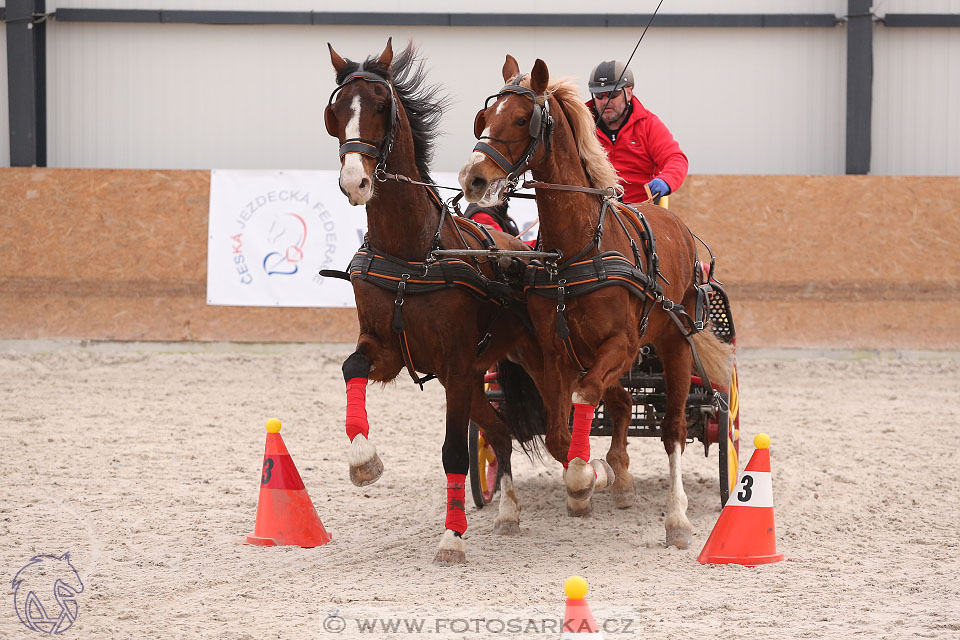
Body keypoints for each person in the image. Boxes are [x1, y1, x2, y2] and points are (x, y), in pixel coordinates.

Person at [586, 60, 688, 205]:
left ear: (628, 92)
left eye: (612, 94)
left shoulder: (648, 124)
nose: (605, 101)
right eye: (599, 96)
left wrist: (665, 180)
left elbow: (675, 158)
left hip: (639, 212)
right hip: (593, 210)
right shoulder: (581, 126)